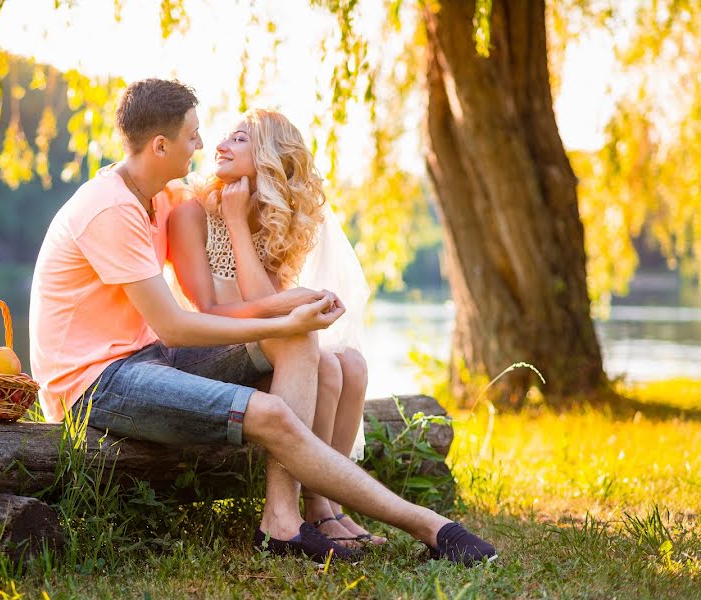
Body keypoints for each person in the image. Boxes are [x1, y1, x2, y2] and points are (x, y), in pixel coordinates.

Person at [29, 77, 496, 565]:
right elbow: (176, 325)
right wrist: (277, 322)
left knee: (301, 345)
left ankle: (281, 522)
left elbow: (187, 319)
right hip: (94, 387)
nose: (203, 146)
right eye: (193, 136)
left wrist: (287, 317)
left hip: (147, 360)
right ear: (160, 145)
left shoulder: (161, 198)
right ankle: (431, 526)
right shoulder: (107, 207)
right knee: (274, 403)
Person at [167, 108, 383, 546]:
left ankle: (324, 505)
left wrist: (242, 227)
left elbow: (264, 305)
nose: (221, 146)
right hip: (204, 353)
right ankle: (312, 511)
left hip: (256, 348)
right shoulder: (192, 211)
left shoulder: (268, 221)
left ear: (268, 157)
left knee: (350, 365)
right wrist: (229, 220)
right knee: (321, 360)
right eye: (226, 137)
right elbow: (208, 309)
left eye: (241, 139)